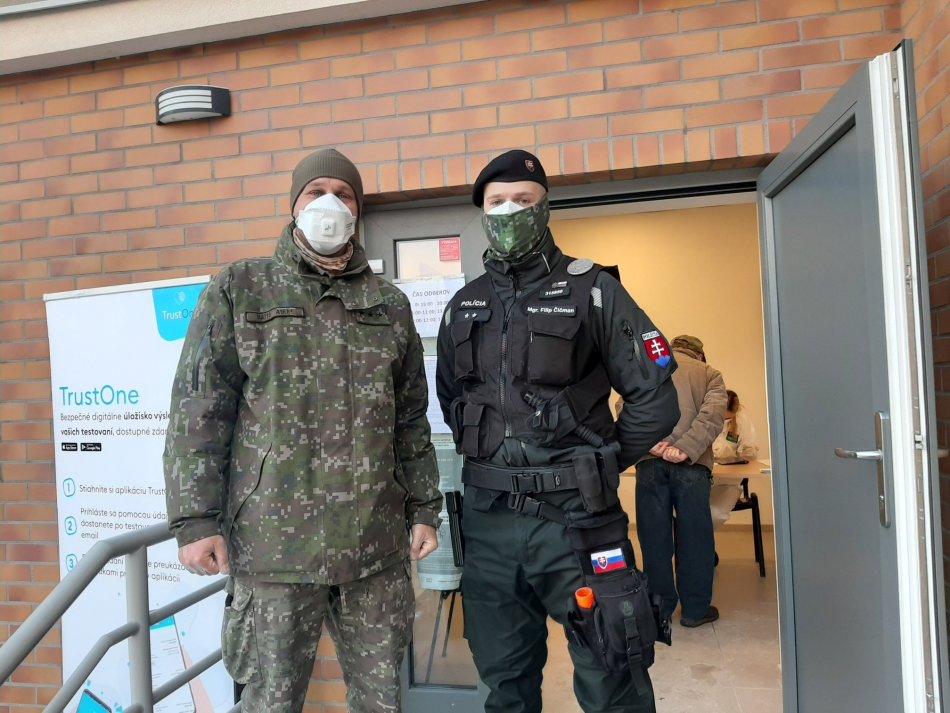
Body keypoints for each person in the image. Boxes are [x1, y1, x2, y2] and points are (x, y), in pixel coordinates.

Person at [163, 148, 443, 713]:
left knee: (382, 701)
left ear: (358, 211)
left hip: (375, 545)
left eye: (344, 194)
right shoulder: (242, 288)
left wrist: (424, 508)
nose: (329, 203)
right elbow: (200, 409)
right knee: (270, 702)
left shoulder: (389, 305)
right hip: (273, 549)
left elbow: (411, 418)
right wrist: (195, 520)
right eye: (316, 192)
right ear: (294, 205)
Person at [435, 149, 680, 713]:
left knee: (612, 671)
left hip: (578, 520)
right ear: (482, 213)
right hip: (489, 521)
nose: (509, 211)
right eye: (497, 202)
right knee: (504, 682)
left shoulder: (592, 289)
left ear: (545, 208)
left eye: (523, 200)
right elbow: (451, 400)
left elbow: (655, 398)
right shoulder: (463, 304)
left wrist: (601, 462)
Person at [635, 335, 726, 628]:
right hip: (692, 466)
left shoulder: (648, 368)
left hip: (650, 463)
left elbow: (628, 407)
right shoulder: (709, 373)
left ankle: (659, 609)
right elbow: (712, 416)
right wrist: (685, 448)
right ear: (699, 355)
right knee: (695, 538)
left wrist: (652, 443)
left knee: (654, 538)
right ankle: (695, 610)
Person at [710, 389, 760, 527]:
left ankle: (701, 540)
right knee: (688, 512)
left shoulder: (742, 421)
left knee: (715, 514)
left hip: (729, 482)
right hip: (704, 481)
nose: (725, 421)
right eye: (722, 417)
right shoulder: (704, 417)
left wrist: (748, 451)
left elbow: (751, 450)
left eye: (728, 419)